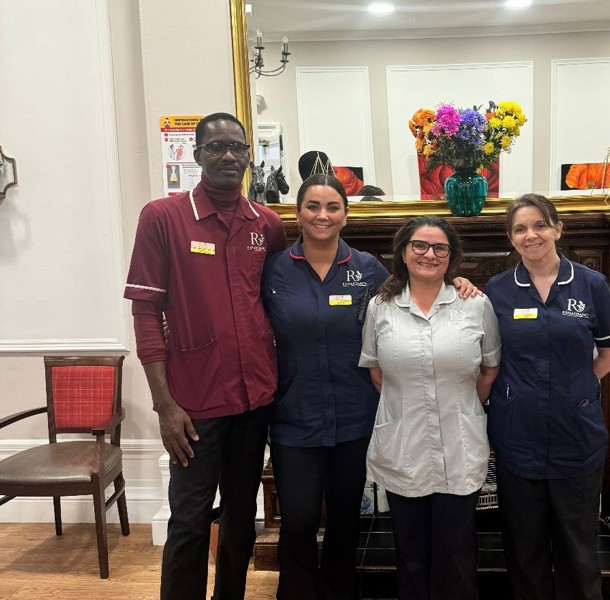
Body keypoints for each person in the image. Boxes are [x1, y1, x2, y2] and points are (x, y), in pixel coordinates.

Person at [262, 179, 479, 599]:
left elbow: (417, 292)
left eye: (332, 207)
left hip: (357, 416)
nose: (322, 215)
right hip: (295, 415)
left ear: (346, 213)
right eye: (312, 206)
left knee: (346, 518)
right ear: (297, 212)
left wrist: (461, 283)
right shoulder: (274, 269)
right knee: (300, 519)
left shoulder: (368, 269)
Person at [124, 112, 286, 600]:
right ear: (196, 156)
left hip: (254, 400)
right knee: (191, 522)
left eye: (237, 147)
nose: (229, 156)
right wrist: (164, 406)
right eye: (216, 147)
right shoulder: (163, 217)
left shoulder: (268, 224)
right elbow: (146, 313)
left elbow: (277, 306)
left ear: (249, 158)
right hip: (193, 406)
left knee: (241, 519)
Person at [483, 194, 610, 600]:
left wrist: (578, 388)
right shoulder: (497, 290)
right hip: (517, 435)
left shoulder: (590, 284)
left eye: (539, 225)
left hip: (575, 435)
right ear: (511, 238)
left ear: (557, 229)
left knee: (577, 547)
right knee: (524, 548)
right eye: (520, 229)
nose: (531, 235)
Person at [359, 216, 501, 600]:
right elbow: (376, 372)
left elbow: (489, 368)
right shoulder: (380, 307)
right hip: (404, 442)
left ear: (451, 257)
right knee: (410, 549)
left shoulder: (475, 304)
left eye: (440, 248)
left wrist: (464, 404)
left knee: (456, 549)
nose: (429, 254)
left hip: (460, 443)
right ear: (403, 252)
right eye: (419, 245)